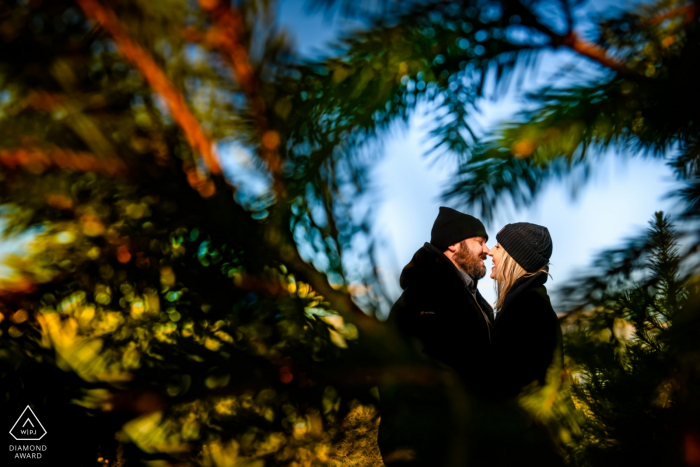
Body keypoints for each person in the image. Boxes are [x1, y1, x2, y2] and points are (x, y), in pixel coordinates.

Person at [378, 206, 493, 466]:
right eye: (479, 242)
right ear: (453, 245)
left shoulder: (469, 298)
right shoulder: (425, 296)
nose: (487, 249)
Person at [487, 222, 562, 398]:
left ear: (514, 258)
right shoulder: (528, 300)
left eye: (498, 247)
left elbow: (508, 382)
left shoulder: (527, 309)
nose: (490, 251)